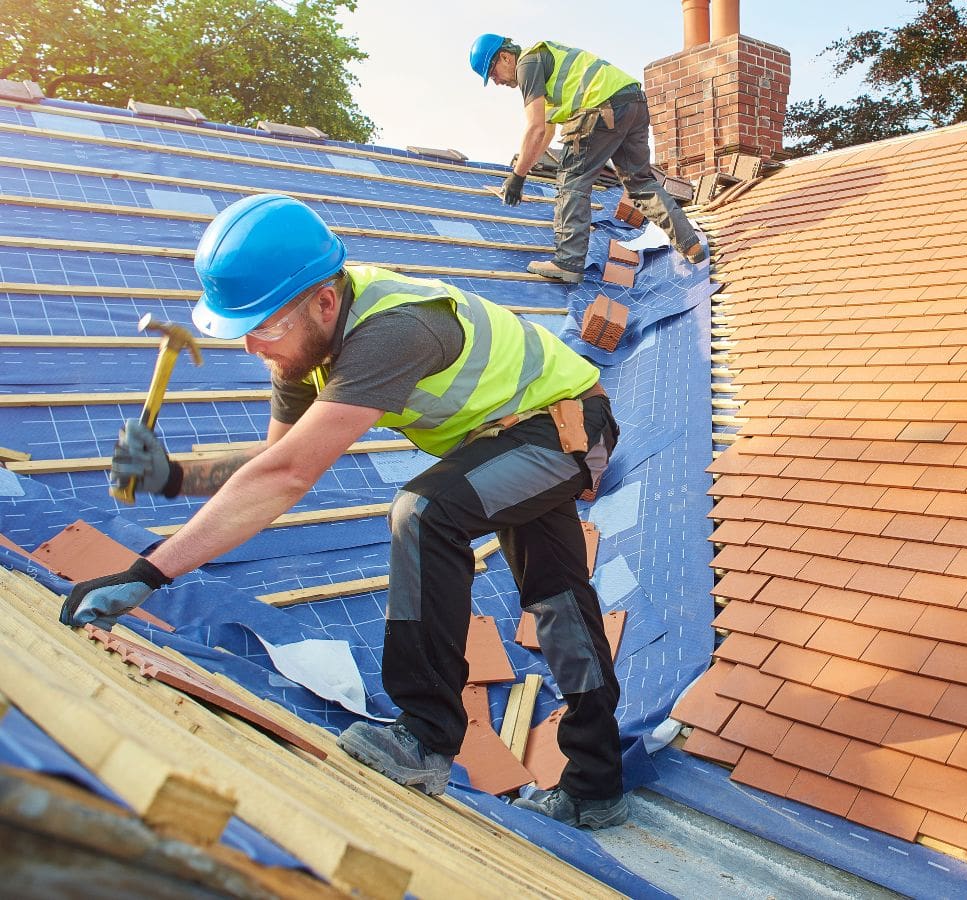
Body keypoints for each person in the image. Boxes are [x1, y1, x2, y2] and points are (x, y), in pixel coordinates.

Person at [59, 193, 629, 829]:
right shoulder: (300, 348)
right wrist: (175, 476)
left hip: (567, 426)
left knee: (424, 513)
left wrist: (148, 573)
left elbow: (284, 478)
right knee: (557, 600)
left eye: (264, 327)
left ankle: (425, 736)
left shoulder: (394, 330)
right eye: (241, 329)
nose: (252, 346)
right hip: (509, 436)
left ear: (324, 302)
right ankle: (596, 784)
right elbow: (274, 466)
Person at [469, 33, 706, 284]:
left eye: (492, 73)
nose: (496, 82)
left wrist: (517, 176)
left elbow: (535, 127)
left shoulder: (528, 64)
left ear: (505, 57)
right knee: (640, 184)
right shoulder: (546, 66)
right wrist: (524, 170)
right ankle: (691, 245)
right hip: (633, 102)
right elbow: (545, 132)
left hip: (600, 107)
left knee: (572, 180)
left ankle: (567, 262)